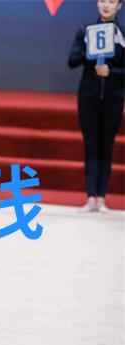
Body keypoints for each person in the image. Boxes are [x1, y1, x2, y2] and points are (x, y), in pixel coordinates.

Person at [68, 0, 124, 212]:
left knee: (106, 146)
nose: (106, 5)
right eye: (102, 1)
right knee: (91, 145)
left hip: (114, 98)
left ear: (119, 6)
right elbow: (72, 61)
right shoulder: (85, 31)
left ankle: (102, 198)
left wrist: (111, 72)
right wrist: (89, 53)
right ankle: (90, 197)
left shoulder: (122, 34)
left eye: (111, 1)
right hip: (88, 97)